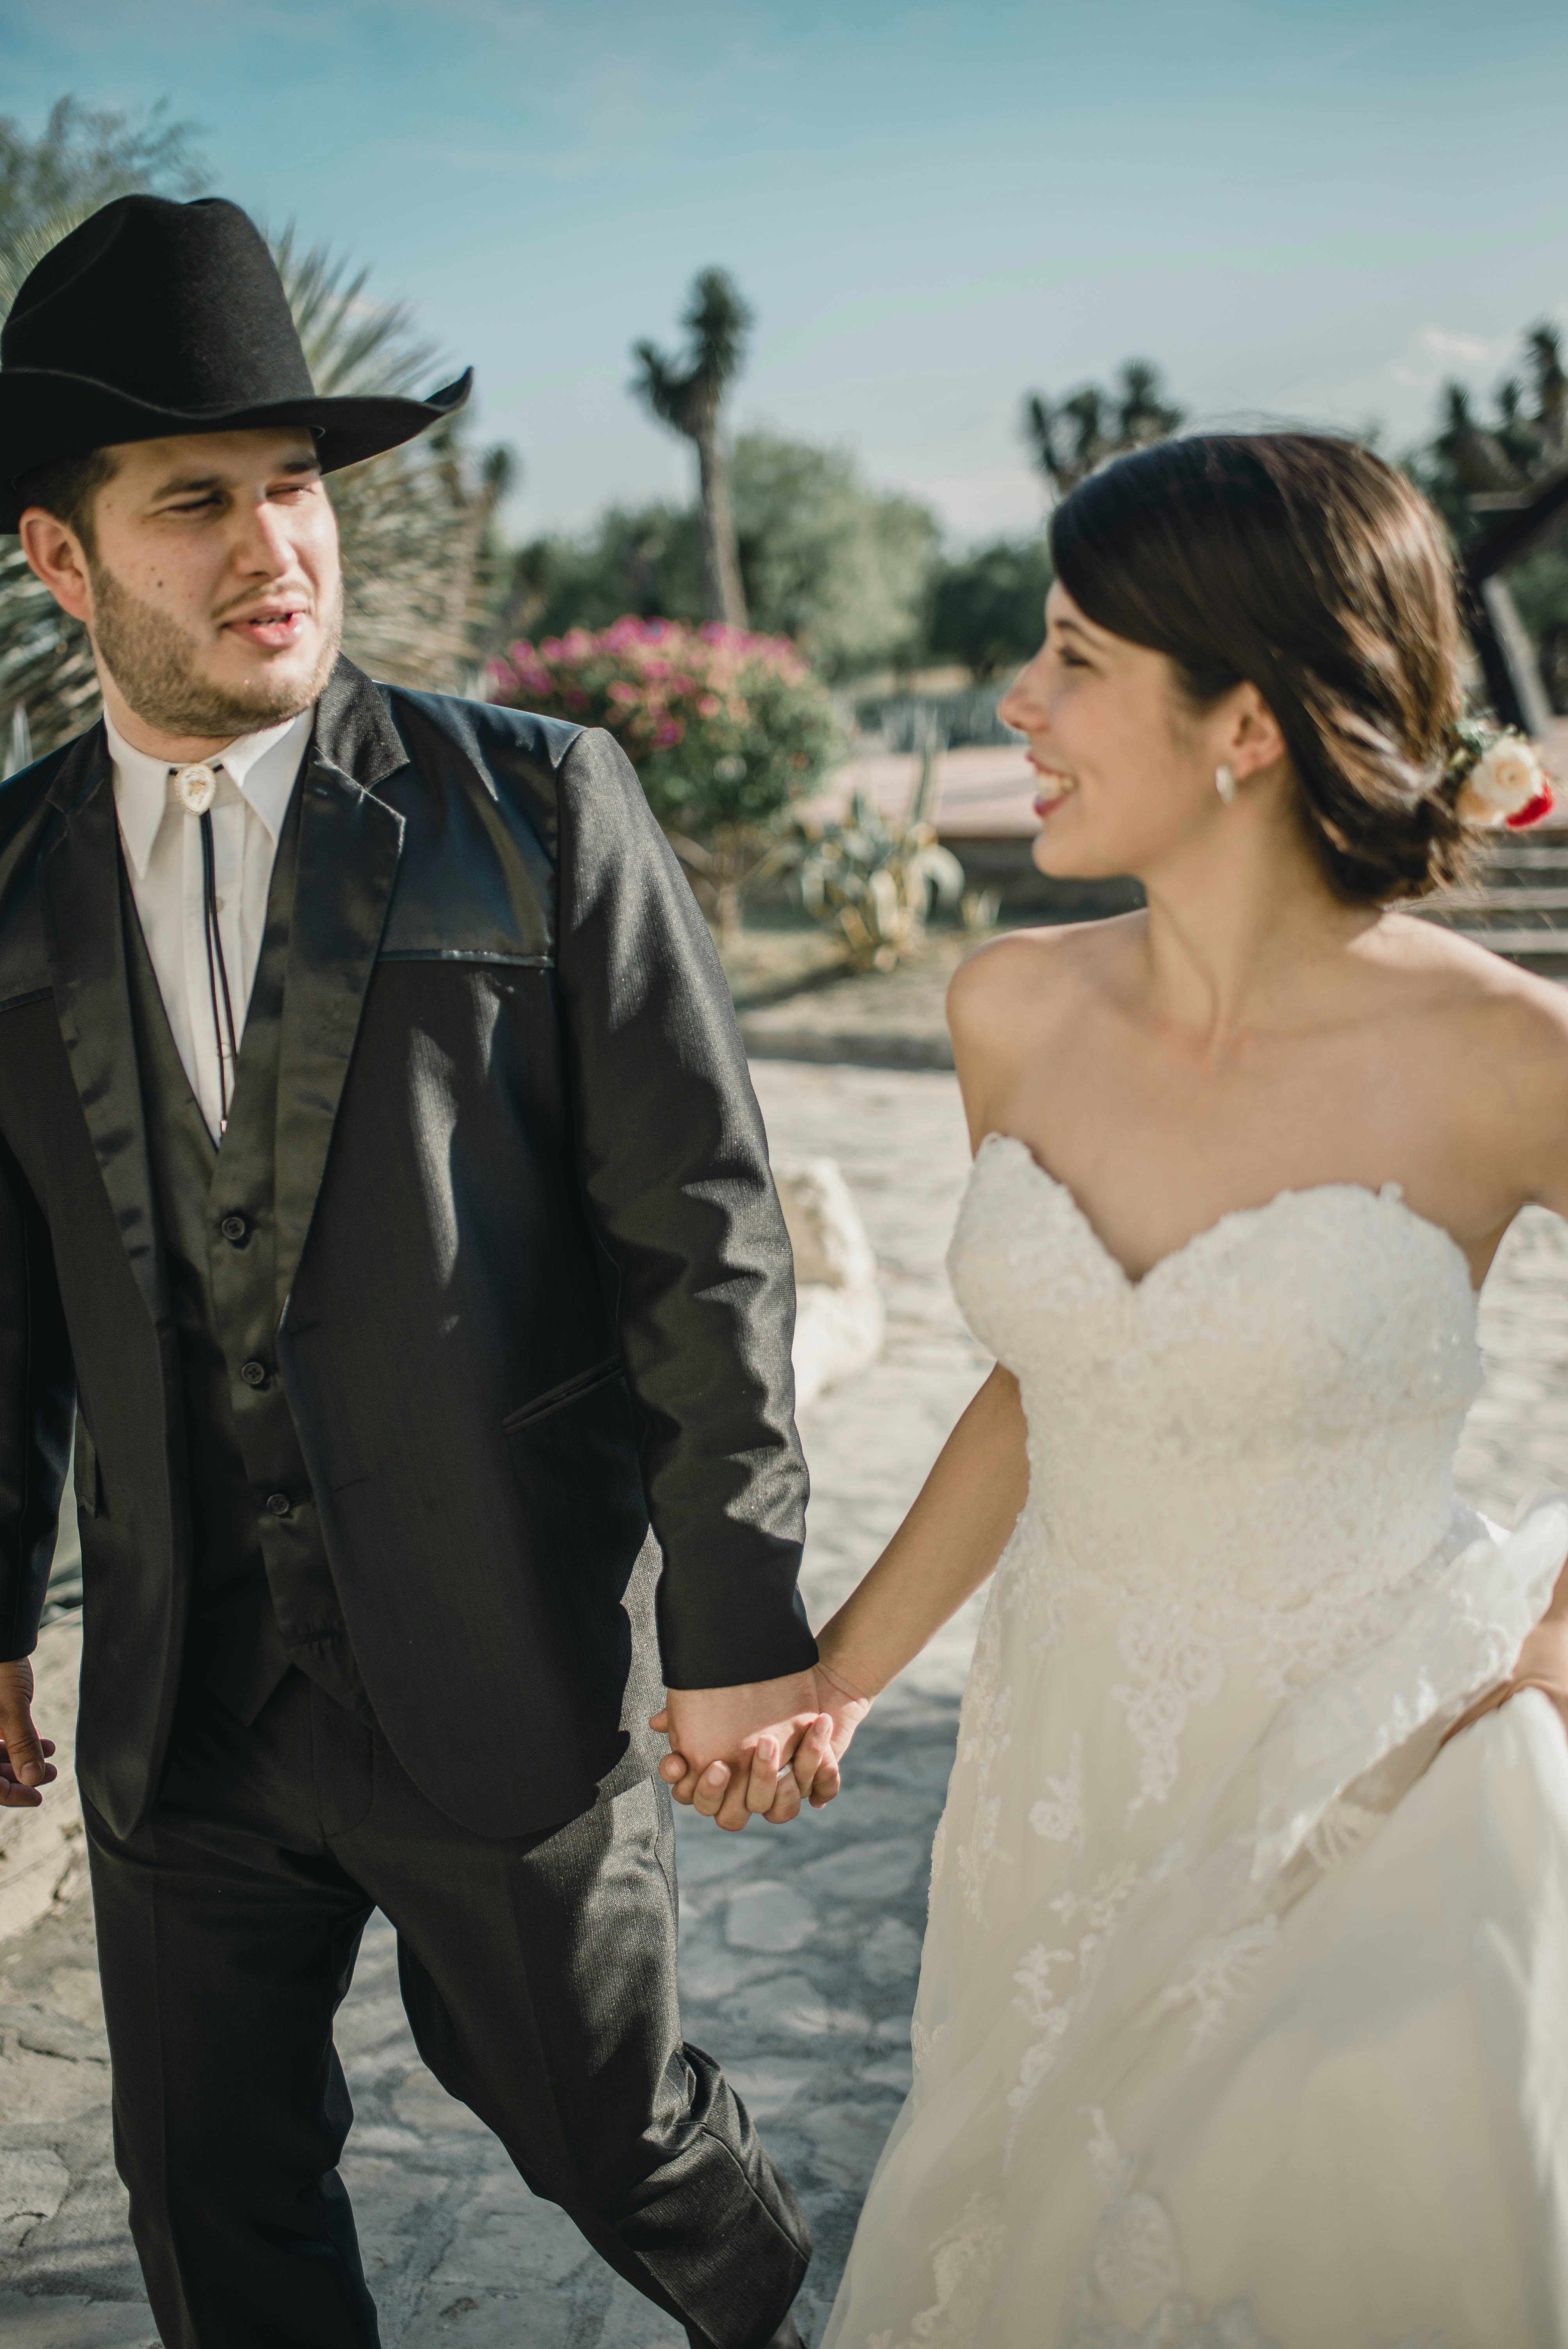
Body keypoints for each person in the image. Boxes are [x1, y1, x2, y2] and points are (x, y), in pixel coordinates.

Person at [0, 191, 844, 2348]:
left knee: (611, 2131)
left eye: (297, 487)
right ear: (61, 559)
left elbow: (704, 1240)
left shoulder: (540, 806)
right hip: (186, 1698)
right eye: (197, 500)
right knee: (210, 2199)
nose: (276, 541)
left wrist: (739, 1622)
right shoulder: (3, 881)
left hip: (494, 1659)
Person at [795, 434, 1568, 2345]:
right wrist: (841, 1671)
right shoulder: (1011, 1007)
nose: (1016, 700)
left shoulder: (1499, 1052)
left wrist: (1555, 1646)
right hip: (1056, 1769)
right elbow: (1042, 1387)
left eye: (1069, 657)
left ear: (1244, 722)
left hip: (1372, 1777)